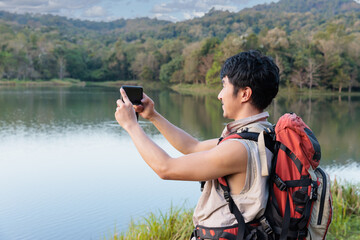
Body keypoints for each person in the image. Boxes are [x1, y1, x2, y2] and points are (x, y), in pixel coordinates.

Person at [115, 50, 279, 239]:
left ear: (245, 94)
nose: (219, 95)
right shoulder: (262, 133)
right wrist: (153, 116)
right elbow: (192, 147)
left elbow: (166, 168)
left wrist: (131, 126)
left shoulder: (239, 149)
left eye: (224, 85)